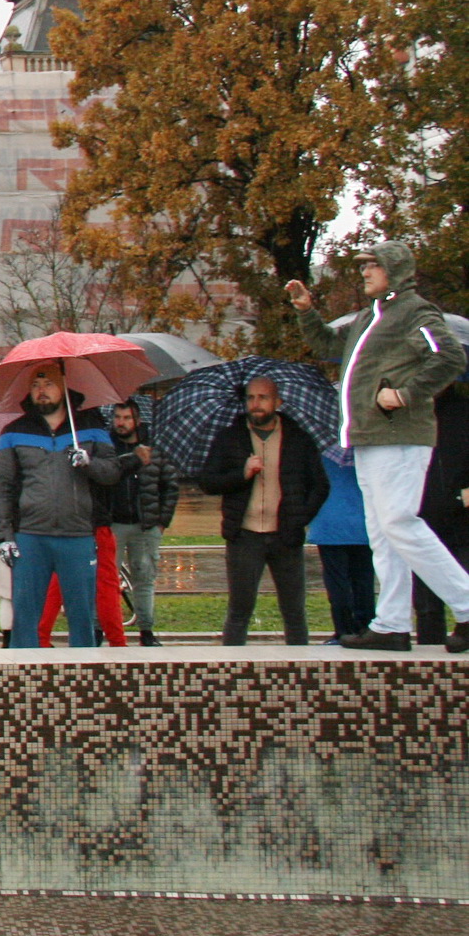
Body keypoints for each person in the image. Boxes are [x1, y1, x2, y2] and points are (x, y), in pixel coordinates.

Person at [289, 242, 469, 650]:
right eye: (363, 266)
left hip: (400, 436)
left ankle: (465, 605)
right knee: (383, 534)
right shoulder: (371, 317)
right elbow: (330, 349)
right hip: (370, 437)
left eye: (372, 265)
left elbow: (449, 357)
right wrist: (306, 312)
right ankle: (390, 625)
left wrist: (406, 394)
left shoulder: (415, 312)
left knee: (399, 524)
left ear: (395, 269)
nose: (365, 272)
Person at [0, 369, 123, 649]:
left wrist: (90, 463)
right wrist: (4, 536)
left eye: (49, 384)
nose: (41, 390)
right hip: (30, 536)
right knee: (25, 616)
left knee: (82, 615)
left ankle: (83, 675)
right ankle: (24, 676)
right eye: (35, 385)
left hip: (78, 536)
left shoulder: (90, 427)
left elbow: (112, 473)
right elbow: (2, 487)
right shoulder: (13, 432)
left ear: (63, 387)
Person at [195, 375, 329, 647]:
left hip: (286, 537)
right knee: (239, 610)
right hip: (245, 536)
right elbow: (207, 481)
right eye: (251, 397)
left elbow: (320, 486)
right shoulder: (230, 437)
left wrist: (299, 519)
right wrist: (241, 474)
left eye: (263, 397)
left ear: (277, 402)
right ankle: (233, 669)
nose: (256, 404)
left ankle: (299, 668)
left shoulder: (298, 438)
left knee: (294, 611)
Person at [105, 397, 178, 647]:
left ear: (137, 420)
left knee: (144, 578)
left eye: (126, 418)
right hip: (113, 523)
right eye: (117, 417)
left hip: (145, 525)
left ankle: (146, 630)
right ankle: (102, 628)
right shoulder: (107, 448)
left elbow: (170, 486)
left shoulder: (154, 449)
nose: (121, 423)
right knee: (106, 580)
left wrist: (161, 522)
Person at [412, 386, 469, 644]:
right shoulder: (410, 410)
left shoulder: (462, 409)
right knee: (425, 592)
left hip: (462, 514)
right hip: (421, 510)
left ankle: (464, 629)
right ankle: (429, 640)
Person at [311, 445, 375, 640]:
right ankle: (366, 626)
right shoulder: (368, 453)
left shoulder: (321, 452)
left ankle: (343, 629)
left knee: (337, 582)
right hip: (364, 522)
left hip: (329, 523)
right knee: (364, 580)